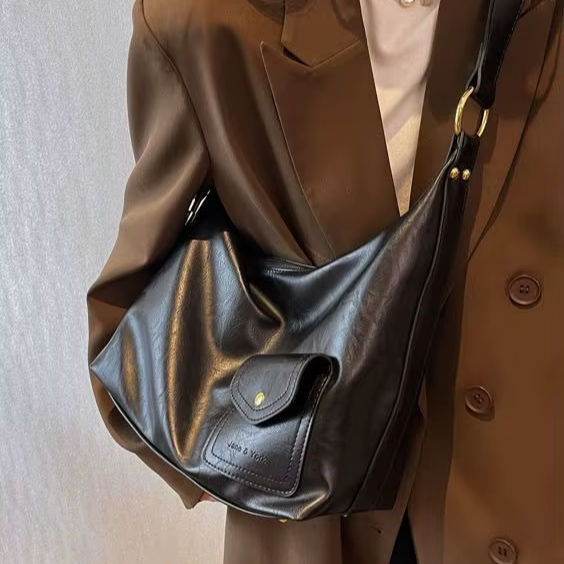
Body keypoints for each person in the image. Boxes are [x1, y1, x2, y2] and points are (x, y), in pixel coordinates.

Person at [86, 0, 564, 562]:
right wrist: (229, 454)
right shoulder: (206, 21)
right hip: (320, 517)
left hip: (531, 491)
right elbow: (130, 315)